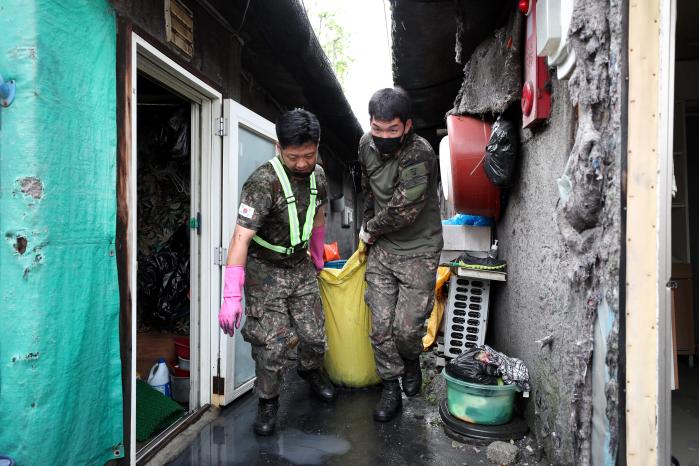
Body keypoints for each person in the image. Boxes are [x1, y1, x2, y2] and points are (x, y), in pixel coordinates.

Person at [218, 108, 335, 436]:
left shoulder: (320, 176)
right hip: (264, 270)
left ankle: (310, 371)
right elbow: (241, 238)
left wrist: (318, 251)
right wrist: (231, 294)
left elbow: (319, 212)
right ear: (278, 147)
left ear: (317, 147)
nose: (301, 163)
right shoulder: (262, 183)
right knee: (272, 345)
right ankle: (268, 400)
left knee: (315, 336)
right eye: (293, 156)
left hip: (300, 266)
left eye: (308, 155)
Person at [358, 88, 443, 422]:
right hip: (382, 250)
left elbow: (403, 210)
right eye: (377, 129)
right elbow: (368, 189)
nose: (383, 137)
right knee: (379, 327)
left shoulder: (420, 155)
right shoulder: (365, 145)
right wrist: (365, 229)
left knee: (406, 330)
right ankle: (390, 386)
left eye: (392, 130)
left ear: (407, 126)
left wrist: (370, 229)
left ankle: (411, 360)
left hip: (419, 250)